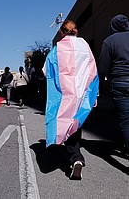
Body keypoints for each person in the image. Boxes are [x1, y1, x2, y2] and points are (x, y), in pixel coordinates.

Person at [43, 20, 99, 180]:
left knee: (67, 122)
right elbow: (93, 71)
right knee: (76, 122)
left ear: (62, 32)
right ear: (76, 31)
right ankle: (75, 156)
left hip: (64, 93)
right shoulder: (85, 47)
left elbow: (47, 72)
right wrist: (94, 93)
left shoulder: (56, 50)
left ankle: (76, 158)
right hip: (82, 92)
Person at [98, 14, 129, 155]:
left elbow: (103, 68)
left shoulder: (109, 42)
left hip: (120, 82)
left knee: (125, 120)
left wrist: (100, 84)